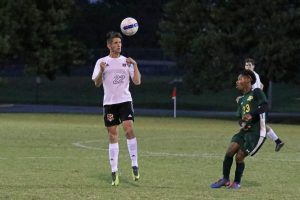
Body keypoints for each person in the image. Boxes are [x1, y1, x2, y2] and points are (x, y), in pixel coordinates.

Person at [92, 31, 141, 186]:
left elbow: (137, 82)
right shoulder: (102, 61)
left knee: (129, 129)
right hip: (110, 104)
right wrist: (101, 70)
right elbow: (97, 83)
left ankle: (135, 164)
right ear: (108, 45)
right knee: (113, 135)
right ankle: (114, 171)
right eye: (115, 43)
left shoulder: (126, 61)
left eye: (120, 43)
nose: (118, 45)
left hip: (125, 101)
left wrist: (135, 65)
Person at [211, 69, 267, 189]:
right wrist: (243, 123)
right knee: (230, 151)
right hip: (245, 131)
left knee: (239, 156)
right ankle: (225, 179)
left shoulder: (256, 92)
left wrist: (252, 115)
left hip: (256, 133)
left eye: (240, 79)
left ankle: (236, 182)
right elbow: (240, 119)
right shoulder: (241, 100)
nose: (237, 82)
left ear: (248, 79)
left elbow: (265, 106)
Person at [244, 58, 284, 152]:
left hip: (256, 105)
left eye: (249, 65)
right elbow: (261, 85)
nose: (248, 67)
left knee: (252, 125)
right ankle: (278, 141)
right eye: (246, 65)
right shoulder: (255, 75)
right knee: (259, 126)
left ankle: (249, 146)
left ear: (253, 66)